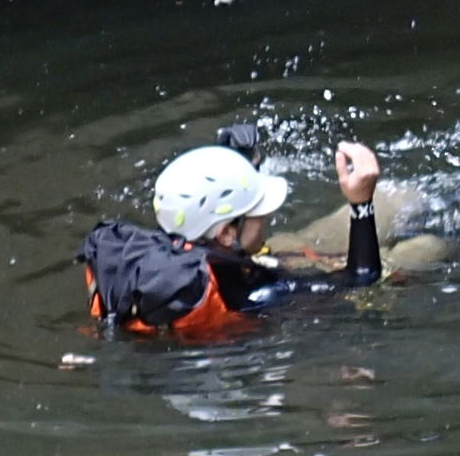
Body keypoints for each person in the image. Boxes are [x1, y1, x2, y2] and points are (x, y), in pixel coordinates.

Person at [77, 131, 384, 340]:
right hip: (246, 296)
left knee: (286, 243)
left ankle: (395, 202)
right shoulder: (256, 295)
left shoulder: (149, 255)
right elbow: (362, 278)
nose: (265, 217)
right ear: (225, 233)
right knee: (423, 246)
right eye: (257, 213)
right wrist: (361, 204)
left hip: (224, 276)